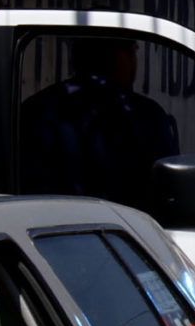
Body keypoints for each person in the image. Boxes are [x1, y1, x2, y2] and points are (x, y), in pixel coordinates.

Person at [18, 39, 180, 208]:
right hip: (127, 229)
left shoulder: (36, 108)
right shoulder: (145, 114)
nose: (134, 62)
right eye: (132, 52)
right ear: (119, 57)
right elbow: (168, 192)